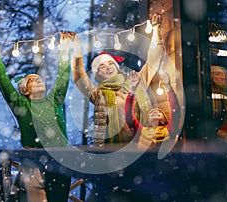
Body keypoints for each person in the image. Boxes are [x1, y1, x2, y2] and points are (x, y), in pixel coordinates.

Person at [0, 32, 72, 202]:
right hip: (34, 160)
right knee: (36, 199)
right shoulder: (21, 105)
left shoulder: (55, 100)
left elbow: (63, 77)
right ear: (25, 89)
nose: (38, 79)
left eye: (39, 78)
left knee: (58, 198)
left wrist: (65, 48)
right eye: (32, 79)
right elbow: (4, 82)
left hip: (61, 159)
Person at [71, 14, 166, 146]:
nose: (108, 68)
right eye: (102, 67)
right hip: (115, 149)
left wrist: (156, 30)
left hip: (143, 145)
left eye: (110, 64)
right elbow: (79, 77)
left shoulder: (136, 81)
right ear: (98, 76)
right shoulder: (99, 94)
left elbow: (154, 60)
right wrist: (76, 49)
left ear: (117, 67)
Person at [125, 70, 180, 150]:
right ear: (147, 120)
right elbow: (128, 116)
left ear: (164, 120)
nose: (155, 111)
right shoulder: (140, 131)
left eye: (159, 113)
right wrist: (132, 90)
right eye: (151, 113)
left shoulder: (170, 130)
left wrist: (168, 87)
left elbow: (175, 111)